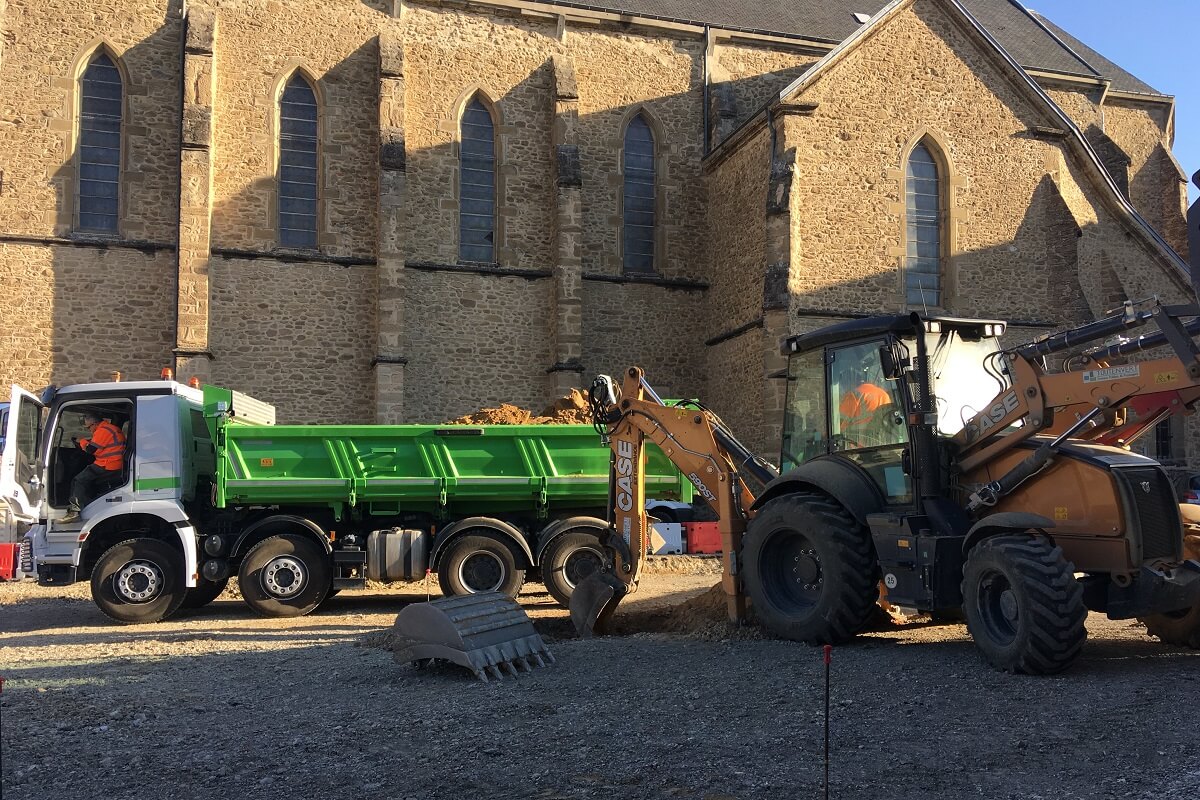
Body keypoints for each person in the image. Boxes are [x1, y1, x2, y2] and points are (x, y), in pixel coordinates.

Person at [61, 411, 126, 523]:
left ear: (94, 423)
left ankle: (75, 511)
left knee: (79, 480)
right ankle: (88, 504)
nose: (89, 430)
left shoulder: (103, 431)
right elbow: (98, 444)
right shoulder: (109, 429)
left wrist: (81, 441)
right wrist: (86, 442)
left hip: (108, 465)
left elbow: (91, 450)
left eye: (88, 427)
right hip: (114, 464)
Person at [838, 363, 895, 448]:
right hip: (882, 440)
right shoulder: (884, 394)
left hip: (859, 442)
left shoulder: (854, 395)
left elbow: (840, 422)